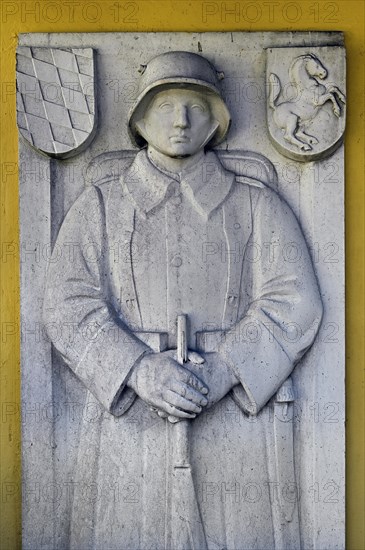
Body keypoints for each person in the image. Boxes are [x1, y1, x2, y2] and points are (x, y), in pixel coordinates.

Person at [43, 51, 323, 549]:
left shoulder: (256, 204)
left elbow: (294, 301)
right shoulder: (101, 206)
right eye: (166, 103)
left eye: (195, 104)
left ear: (217, 119)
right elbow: (67, 304)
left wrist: (226, 369)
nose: (180, 119)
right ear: (140, 117)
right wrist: (137, 370)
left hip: (235, 423)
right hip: (129, 425)